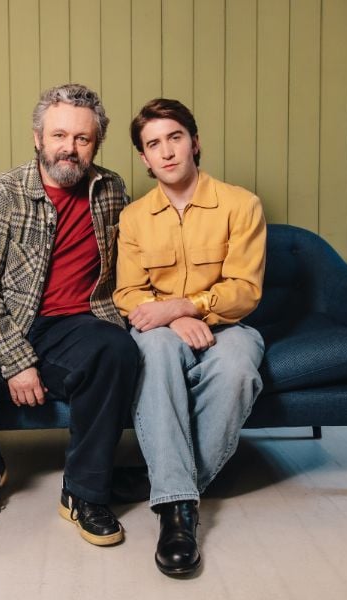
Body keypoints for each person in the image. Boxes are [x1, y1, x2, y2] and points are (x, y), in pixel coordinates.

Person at [0, 83, 138, 547]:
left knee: (115, 350)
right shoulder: (0, 193)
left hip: (73, 324)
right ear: (38, 137)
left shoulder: (111, 189)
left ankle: (84, 492)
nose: (69, 148)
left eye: (82, 138)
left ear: (96, 143)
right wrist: (16, 360)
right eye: (59, 135)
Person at [113, 98, 266, 575]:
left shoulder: (241, 205)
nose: (167, 152)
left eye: (175, 138)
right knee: (155, 354)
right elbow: (127, 291)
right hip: (159, 329)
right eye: (153, 144)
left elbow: (245, 289)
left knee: (239, 368)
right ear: (144, 157)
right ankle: (178, 517)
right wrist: (172, 318)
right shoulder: (134, 217)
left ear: (194, 142)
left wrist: (188, 305)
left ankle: (163, 481)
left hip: (228, 325)